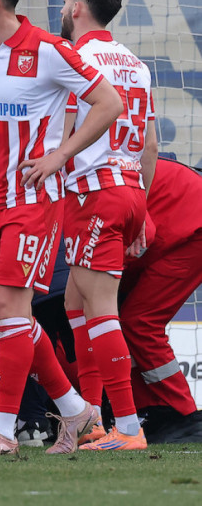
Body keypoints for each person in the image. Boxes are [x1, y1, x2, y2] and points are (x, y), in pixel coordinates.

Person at [0, 0, 123, 456]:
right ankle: (76, 411)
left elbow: (109, 103)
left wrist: (59, 155)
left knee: (10, 310)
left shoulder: (49, 50)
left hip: (32, 202)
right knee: (13, 317)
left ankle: (3, 432)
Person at [54, 0, 159, 451]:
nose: (61, 9)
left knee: (101, 310)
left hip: (93, 193)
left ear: (77, 7)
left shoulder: (74, 58)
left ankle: (129, 428)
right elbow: (150, 144)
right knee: (75, 305)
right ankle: (92, 417)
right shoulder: (136, 64)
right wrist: (143, 208)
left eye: (64, 1)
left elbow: (65, 129)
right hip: (129, 190)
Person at [119, 157, 202, 442]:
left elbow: (145, 233)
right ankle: (152, 410)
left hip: (190, 225)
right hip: (179, 219)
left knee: (139, 322)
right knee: (120, 319)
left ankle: (182, 414)